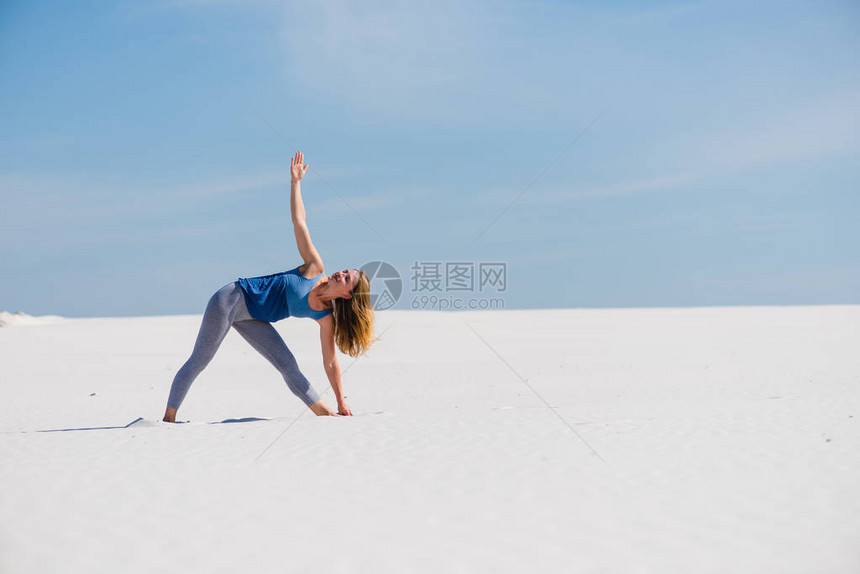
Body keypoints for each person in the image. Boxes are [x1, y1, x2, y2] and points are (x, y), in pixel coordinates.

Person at [162, 151, 375, 422]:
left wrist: (342, 400)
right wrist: (296, 183)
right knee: (200, 360)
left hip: (254, 318)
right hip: (231, 299)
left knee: (288, 364)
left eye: (346, 278)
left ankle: (327, 415)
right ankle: (168, 419)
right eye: (345, 270)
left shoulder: (325, 317)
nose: (340, 273)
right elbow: (300, 222)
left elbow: (331, 362)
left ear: (347, 294)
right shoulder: (314, 268)